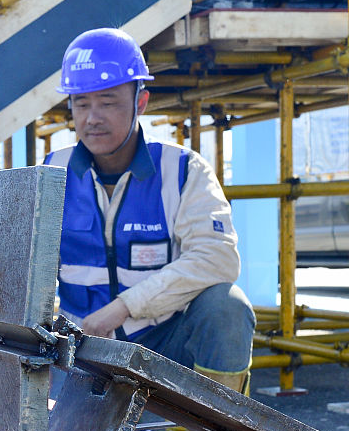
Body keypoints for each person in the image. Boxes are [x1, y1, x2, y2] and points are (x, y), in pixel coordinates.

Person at [45, 27, 255, 393]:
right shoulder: (52, 173)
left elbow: (218, 257)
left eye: (108, 102)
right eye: (81, 104)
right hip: (80, 353)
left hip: (161, 347)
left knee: (227, 308)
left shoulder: (182, 171)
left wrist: (124, 307)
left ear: (140, 101)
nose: (92, 117)